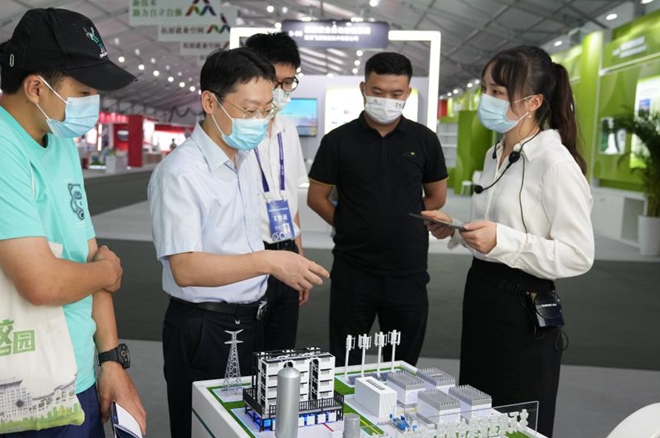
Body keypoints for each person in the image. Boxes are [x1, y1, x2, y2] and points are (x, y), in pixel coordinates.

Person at [0, 8, 146, 437]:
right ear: (36, 87)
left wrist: (110, 360)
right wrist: (105, 272)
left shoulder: (60, 143)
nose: (93, 102)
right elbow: (43, 283)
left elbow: (88, 253)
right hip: (12, 392)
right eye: (84, 89)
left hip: (76, 377)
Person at [148, 48, 329, 438]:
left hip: (249, 319)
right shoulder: (181, 173)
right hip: (204, 327)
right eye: (249, 110)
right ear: (210, 101)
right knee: (199, 427)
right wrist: (268, 262)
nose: (260, 122)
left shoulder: (243, 160)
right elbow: (186, 267)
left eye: (266, 110)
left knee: (243, 428)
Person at [421, 45, 594, 437]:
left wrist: (505, 240)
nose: (486, 99)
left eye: (497, 92)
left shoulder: (556, 164)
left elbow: (578, 254)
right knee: (477, 407)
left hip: (524, 306)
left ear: (532, 101)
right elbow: (497, 230)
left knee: (516, 415)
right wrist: (458, 229)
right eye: (485, 88)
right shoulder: (496, 151)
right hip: (483, 294)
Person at [307, 52, 448, 367]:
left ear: (408, 93)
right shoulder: (338, 141)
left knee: (402, 363)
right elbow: (316, 197)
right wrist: (347, 224)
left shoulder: (424, 140)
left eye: (396, 94)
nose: (386, 99)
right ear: (363, 88)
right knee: (344, 361)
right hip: (353, 270)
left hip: (408, 271)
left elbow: (437, 197)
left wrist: (402, 218)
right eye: (377, 91)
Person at [244, 31, 310, 351]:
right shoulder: (237, 132)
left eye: (289, 83)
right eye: (275, 81)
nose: (282, 91)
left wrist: (299, 255)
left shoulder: (288, 129)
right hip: (247, 255)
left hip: (286, 251)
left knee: (280, 353)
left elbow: (290, 200)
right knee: (243, 354)